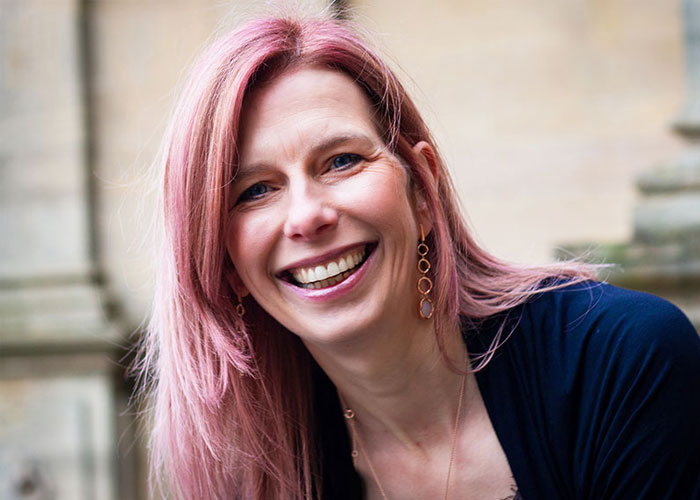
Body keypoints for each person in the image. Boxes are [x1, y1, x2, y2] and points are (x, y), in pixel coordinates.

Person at [136, 13, 700, 500]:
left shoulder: (624, 361)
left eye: (341, 161)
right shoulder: (262, 473)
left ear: (422, 189)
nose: (306, 216)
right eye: (255, 191)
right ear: (227, 265)